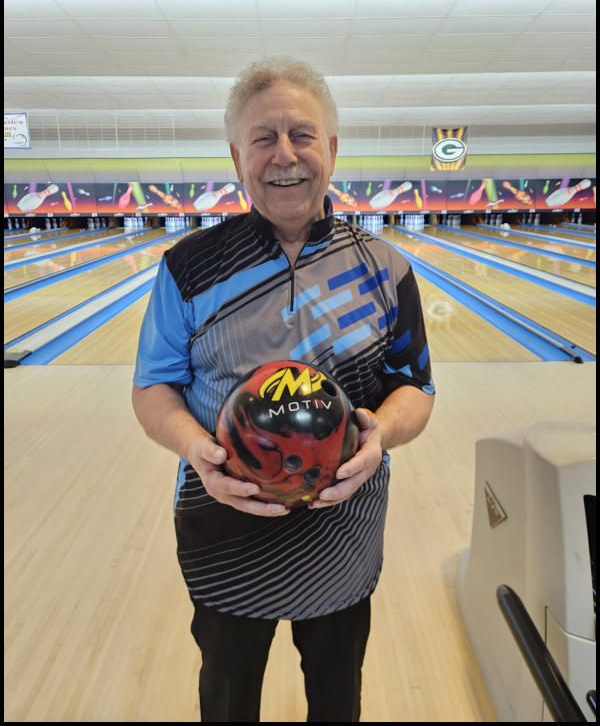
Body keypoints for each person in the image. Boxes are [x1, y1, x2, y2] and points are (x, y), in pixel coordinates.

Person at [132, 56, 435, 722]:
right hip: (223, 538)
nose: (285, 155)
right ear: (237, 157)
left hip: (343, 537)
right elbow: (153, 387)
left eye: (302, 134)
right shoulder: (187, 267)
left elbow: (416, 388)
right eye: (263, 138)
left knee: (336, 700)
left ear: (332, 148)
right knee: (227, 699)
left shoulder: (386, 268)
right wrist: (196, 449)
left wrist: (383, 432)